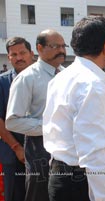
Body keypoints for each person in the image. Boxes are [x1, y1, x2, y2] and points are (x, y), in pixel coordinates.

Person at [43, 16, 105, 201]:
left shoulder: (61, 77)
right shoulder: (92, 85)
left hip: (60, 175)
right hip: (81, 182)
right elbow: (94, 154)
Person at [5, 29, 66, 201]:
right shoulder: (27, 78)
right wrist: (49, 128)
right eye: (55, 46)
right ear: (39, 48)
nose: (61, 50)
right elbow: (12, 122)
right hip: (39, 149)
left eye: (63, 46)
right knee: (39, 196)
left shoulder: (66, 75)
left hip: (66, 150)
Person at [0, 37, 34, 201]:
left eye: (22, 53)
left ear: (32, 54)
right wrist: (16, 147)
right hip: (13, 155)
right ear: (9, 58)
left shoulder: (46, 79)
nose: (19, 57)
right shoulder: (2, 82)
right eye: (14, 54)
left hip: (41, 153)